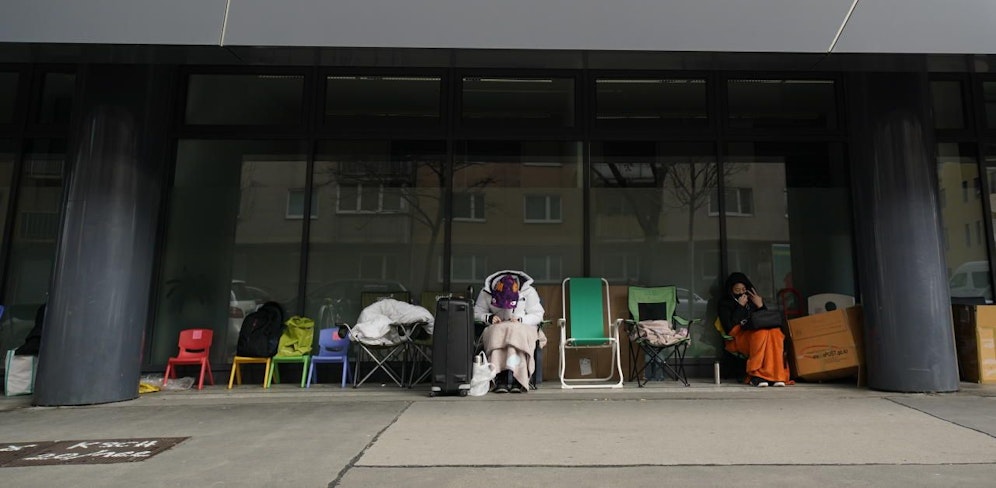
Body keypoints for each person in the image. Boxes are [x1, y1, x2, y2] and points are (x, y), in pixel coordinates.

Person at [474, 270, 545, 393]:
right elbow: (476, 313)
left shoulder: (529, 292)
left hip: (523, 326)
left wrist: (521, 319)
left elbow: (538, 315)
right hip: (497, 327)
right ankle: (499, 377)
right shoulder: (486, 292)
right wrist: (488, 317)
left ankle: (519, 379)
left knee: (516, 334)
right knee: (498, 334)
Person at [717, 272, 790, 387]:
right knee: (761, 334)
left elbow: (766, 320)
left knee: (776, 333)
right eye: (737, 290)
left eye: (743, 289)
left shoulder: (752, 301)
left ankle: (777, 375)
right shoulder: (725, 303)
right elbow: (729, 327)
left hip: (759, 332)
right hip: (737, 337)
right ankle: (757, 375)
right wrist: (740, 307)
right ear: (731, 291)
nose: (741, 293)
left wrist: (760, 305)